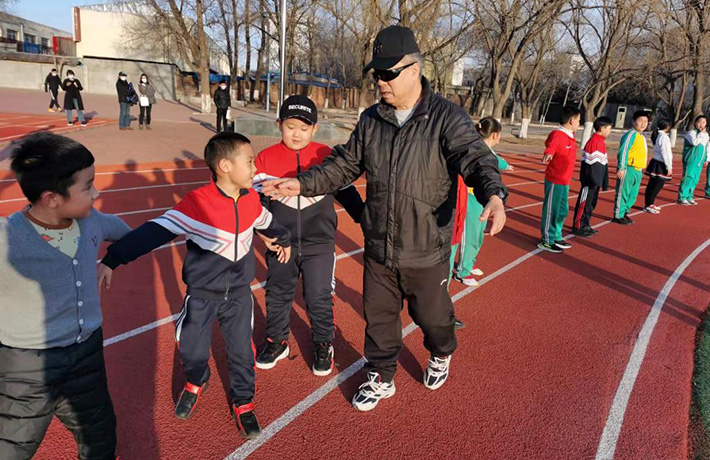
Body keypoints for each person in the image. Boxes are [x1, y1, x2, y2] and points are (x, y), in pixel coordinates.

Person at [261, 25, 507, 411]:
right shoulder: (371, 119)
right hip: (379, 245)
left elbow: (476, 159)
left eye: (388, 73)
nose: (380, 81)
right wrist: (301, 184)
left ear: (414, 69)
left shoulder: (446, 117)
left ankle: (441, 351)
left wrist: (493, 193)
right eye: (376, 73)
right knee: (378, 318)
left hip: (425, 246)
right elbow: (344, 165)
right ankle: (381, 374)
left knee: (432, 317)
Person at [98, 132, 291, 439]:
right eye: (250, 161)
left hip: (239, 294)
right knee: (192, 349)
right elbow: (153, 231)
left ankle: (243, 401)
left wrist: (282, 239)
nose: (255, 169)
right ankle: (197, 379)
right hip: (202, 295)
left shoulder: (252, 199)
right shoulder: (196, 204)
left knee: (242, 353)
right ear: (225, 166)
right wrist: (112, 259)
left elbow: (267, 222)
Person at [0, 132, 130, 460]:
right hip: (27, 369)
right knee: (11, 448)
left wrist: (113, 259)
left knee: (101, 438)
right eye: (88, 187)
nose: (97, 193)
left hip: (86, 356)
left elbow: (127, 234)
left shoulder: (92, 222)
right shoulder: (6, 238)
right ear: (52, 198)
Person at [252, 95, 365, 376]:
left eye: (304, 128)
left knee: (318, 296)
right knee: (277, 293)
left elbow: (347, 193)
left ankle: (323, 343)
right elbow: (256, 204)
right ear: (279, 124)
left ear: (315, 129)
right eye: (290, 127)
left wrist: (366, 220)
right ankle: (277, 341)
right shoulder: (265, 158)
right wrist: (265, 233)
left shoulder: (325, 155)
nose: (297, 134)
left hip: (320, 243)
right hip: (281, 243)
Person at [454, 117, 514, 285]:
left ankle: (469, 263)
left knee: (478, 235)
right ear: (495, 135)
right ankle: (462, 271)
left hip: (483, 200)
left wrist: (506, 165)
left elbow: (497, 161)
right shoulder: (472, 151)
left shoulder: (489, 153)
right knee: (468, 235)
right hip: (470, 199)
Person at [538, 106, 581, 253]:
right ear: (572, 121)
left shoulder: (570, 136)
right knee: (552, 210)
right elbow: (552, 145)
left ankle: (556, 235)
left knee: (562, 210)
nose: (579, 124)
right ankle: (546, 240)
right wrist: (549, 153)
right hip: (555, 180)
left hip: (565, 181)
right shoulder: (558, 135)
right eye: (579, 121)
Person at [572, 116, 612, 237]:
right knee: (584, 203)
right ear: (602, 128)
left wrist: (603, 181)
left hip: (595, 182)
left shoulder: (600, 142)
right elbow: (590, 165)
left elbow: (603, 164)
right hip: (590, 182)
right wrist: (594, 181)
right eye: (609, 128)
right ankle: (578, 226)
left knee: (591, 204)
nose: (610, 131)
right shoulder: (593, 142)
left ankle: (586, 224)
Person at [612, 110, 650, 224]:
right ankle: (618, 215)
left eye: (646, 121)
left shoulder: (641, 136)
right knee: (623, 193)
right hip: (628, 169)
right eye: (640, 121)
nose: (643, 124)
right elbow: (623, 151)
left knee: (633, 195)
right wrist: (621, 167)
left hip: (638, 170)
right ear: (633, 121)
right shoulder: (630, 135)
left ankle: (625, 212)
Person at [677, 115, 709, 205]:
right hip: (691, 160)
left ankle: (689, 196)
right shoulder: (691, 133)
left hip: (700, 161)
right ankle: (682, 197)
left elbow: (707, 147)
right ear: (695, 123)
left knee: (695, 179)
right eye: (699, 122)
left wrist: (707, 159)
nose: (701, 124)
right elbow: (694, 143)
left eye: (704, 123)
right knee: (688, 178)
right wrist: (701, 134)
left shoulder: (706, 135)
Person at [644, 120, 673, 214]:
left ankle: (649, 203)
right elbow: (666, 152)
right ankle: (649, 204)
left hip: (656, 162)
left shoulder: (657, 135)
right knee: (656, 186)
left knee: (652, 185)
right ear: (667, 127)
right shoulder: (664, 137)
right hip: (661, 164)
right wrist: (669, 166)